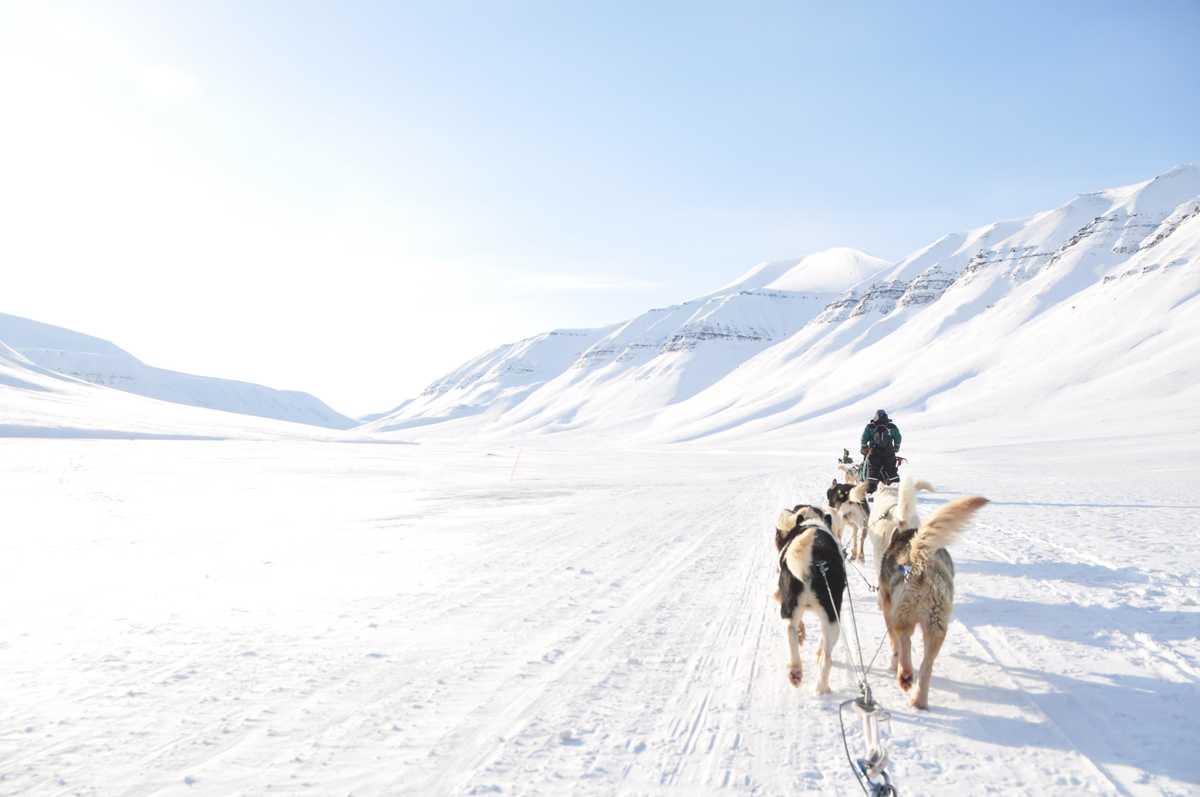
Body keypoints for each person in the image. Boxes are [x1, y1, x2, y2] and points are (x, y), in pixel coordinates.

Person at [860, 409, 901, 494]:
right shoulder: (892, 427)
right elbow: (898, 437)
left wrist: (864, 447)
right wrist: (896, 447)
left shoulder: (870, 427)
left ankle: (871, 491)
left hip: (874, 452)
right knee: (891, 470)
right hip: (889, 452)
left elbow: (864, 438)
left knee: (873, 471)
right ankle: (896, 490)